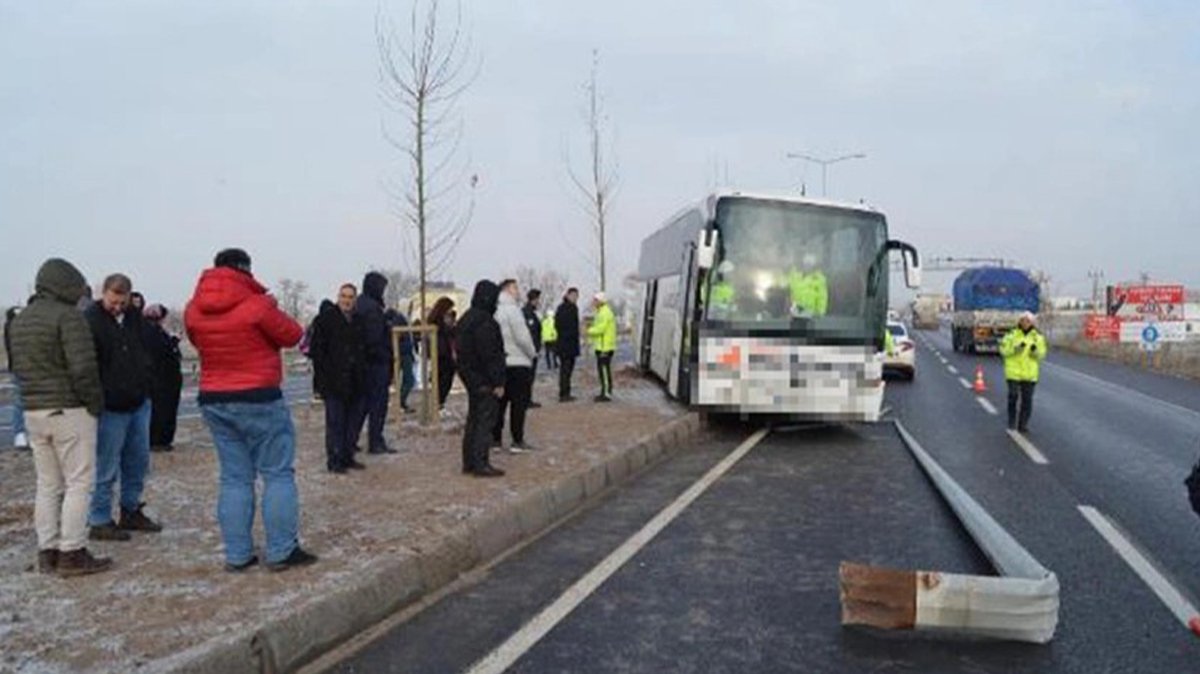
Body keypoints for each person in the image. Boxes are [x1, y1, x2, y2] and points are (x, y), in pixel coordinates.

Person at [185, 248, 317, 572]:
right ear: (246, 270)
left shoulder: (193, 310)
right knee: (277, 474)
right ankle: (282, 550)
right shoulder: (258, 306)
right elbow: (293, 334)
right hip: (259, 396)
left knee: (234, 478)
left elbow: (198, 341)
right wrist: (269, 304)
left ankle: (237, 554)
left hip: (214, 398)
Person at [10, 259, 110, 576]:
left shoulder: (20, 320)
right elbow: (83, 369)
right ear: (66, 286)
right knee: (79, 483)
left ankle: (47, 552)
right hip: (69, 410)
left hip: (34, 411)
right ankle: (73, 553)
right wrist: (95, 403)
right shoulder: (69, 318)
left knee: (47, 484)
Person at [84, 273, 161, 541]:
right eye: (113, 301)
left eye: (122, 302)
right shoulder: (90, 320)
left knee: (137, 461)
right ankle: (99, 518)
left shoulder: (134, 318)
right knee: (106, 466)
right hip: (110, 406)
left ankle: (130, 510)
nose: (117, 307)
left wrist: (146, 381)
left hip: (138, 401)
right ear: (103, 293)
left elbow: (143, 350)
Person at [310, 285, 367, 474]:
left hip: (356, 380)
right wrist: (321, 380)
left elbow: (364, 349)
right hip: (333, 380)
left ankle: (347, 456)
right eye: (344, 296)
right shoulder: (325, 320)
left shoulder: (359, 321)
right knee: (335, 422)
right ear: (338, 297)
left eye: (350, 297)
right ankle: (334, 460)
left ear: (355, 299)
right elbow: (317, 352)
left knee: (353, 423)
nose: (347, 300)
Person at [456, 280, 506, 477]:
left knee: (473, 419)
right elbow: (491, 354)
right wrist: (498, 381)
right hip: (484, 379)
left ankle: (469, 461)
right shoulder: (486, 322)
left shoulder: (466, 319)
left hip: (469, 376)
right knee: (485, 421)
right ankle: (480, 463)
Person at [352, 272, 397, 454]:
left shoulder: (361, 304)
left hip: (363, 363)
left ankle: (352, 439)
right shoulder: (372, 308)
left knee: (361, 406)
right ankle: (375, 441)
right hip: (376, 364)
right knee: (377, 405)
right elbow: (374, 338)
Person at [492, 279, 538, 452]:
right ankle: (517, 441)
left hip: (501, 363)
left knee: (500, 404)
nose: (518, 291)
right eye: (515, 287)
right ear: (508, 290)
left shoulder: (495, 311)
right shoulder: (513, 310)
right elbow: (522, 337)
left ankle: (495, 440)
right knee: (518, 404)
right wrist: (532, 353)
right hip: (518, 362)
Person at [141, 304, 183, 452]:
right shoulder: (155, 333)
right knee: (162, 410)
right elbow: (164, 352)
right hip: (162, 379)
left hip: (160, 378)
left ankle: (157, 439)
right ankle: (159, 440)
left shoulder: (148, 331)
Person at [999, 311, 1048, 433]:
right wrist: (1014, 350)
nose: (1025, 323)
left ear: (1032, 322)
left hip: (1029, 374)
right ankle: (1011, 421)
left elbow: (1042, 354)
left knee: (1027, 400)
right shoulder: (1011, 335)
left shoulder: (1038, 337)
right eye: (1023, 320)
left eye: (1028, 321)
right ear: (1019, 321)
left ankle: (1023, 424)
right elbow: (1003, 350)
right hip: (1013, 372)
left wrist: (1034, 352)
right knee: (1013, 396)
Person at [5, 306, 30, 450]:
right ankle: (21, 432)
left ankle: (20, 433)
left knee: (19, 400)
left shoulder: (11, 326)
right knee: (21, 400)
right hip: (23, 367)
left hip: (17, 366)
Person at [426, 297, 458, 409]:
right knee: (443, 381)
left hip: (444, 353)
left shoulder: (439, 321)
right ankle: (439, 404)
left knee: (445, 380)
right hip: (441, 354)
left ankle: (440, 403)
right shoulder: (437, 322)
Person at [587, 291, 617, 402]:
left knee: (604, 371)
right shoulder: (601, 312)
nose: (593, 302)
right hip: (601, 346)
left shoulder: (605, 313)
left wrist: (588, 331)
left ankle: (606, 393)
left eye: (595, 300)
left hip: (605, 347)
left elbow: (601, 329)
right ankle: (604, 391)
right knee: (602, 370)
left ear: (601, 301)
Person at [387, 308, 417, 413]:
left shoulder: (391, 319)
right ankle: (400, 402)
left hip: (399, 353)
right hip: (403, 353)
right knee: (409, 380)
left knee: (393, 379)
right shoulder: (399, 319)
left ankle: (399, 402)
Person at [554, 288, 581, 402]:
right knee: (565, 370)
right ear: (568, 295)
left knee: (568, 370)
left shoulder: (570, 308)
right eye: (573, 295)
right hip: (566, 344)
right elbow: (560, 325)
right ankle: (564, 393)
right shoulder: (565, 308)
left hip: (569, 344)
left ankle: (566, 392)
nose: (575, 298)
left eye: (577, 296)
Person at [787, 253, 828, 317]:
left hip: (811, 313)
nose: (807, 266)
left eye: (809, 264)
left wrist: (820, 311)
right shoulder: (796, 276)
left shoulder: (818, 279)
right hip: (796, 311)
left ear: (813, 266)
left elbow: (822, 296)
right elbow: (790, 289)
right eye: (806, 264)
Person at [522, 289, 544, 409]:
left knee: (530, 377)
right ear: (533, 299)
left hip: (533, 349)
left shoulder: (532, 312)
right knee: (527, 377)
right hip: (529, 350)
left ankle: (527, 399)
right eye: (537, 299)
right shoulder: (527, 313)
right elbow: (529, 332)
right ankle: (525, 400)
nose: (538, 302)